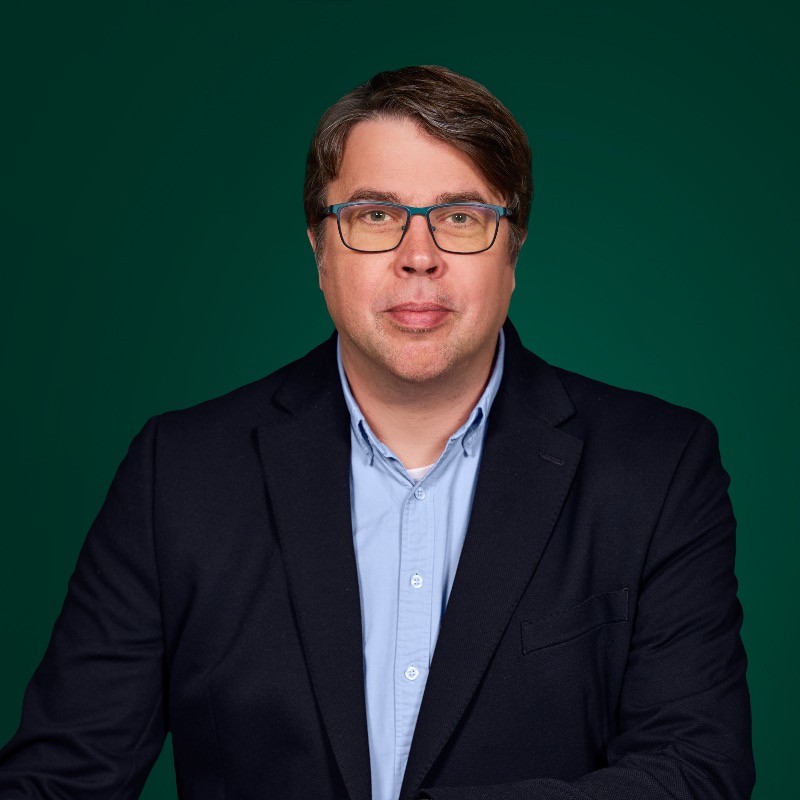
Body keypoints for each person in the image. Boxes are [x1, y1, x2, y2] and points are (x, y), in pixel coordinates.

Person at [0, 65, 754, 800]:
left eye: (461, 217)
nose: (418, 257)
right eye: (375, 215)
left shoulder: (658, 468)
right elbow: (62, 778)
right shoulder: (179, 474)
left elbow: (696, 770)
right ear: (319, 248)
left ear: (513, 248)